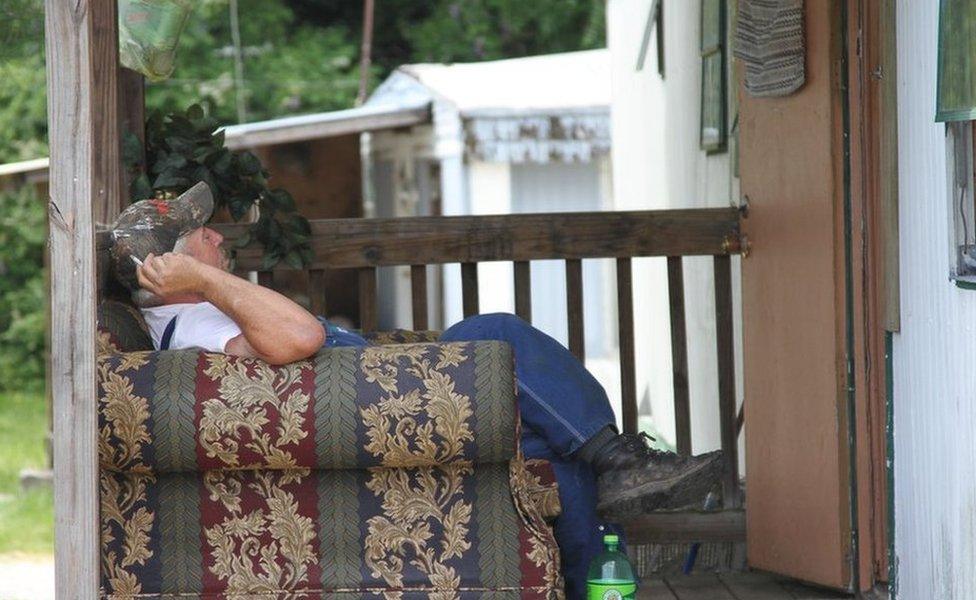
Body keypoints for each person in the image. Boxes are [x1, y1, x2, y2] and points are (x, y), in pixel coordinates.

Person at [110, 183, 723, 599]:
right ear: (163, 267)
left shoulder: (204, 309)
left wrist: (208, 278)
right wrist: (200, 281)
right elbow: (298, 336)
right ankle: (616, 462)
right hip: (384, 405)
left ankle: (611, 470)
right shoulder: (189, 320)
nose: (217, 237)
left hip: (383, 393)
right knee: (494, 333)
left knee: (551, 447)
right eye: (198, 236)